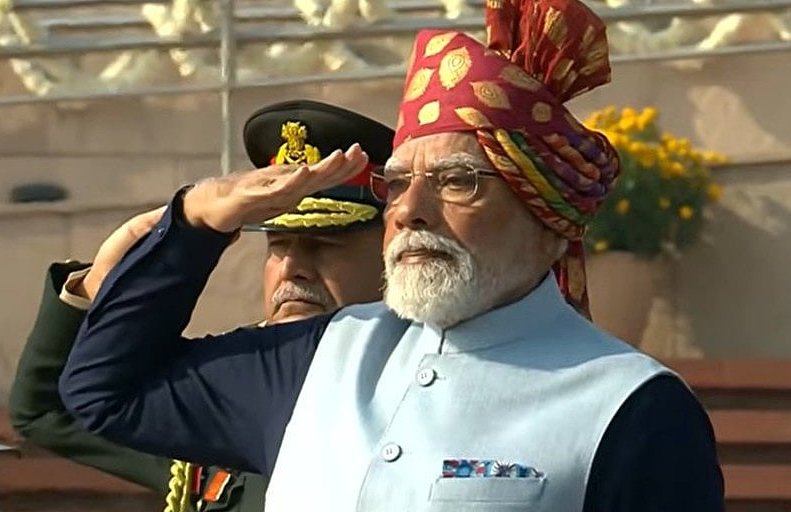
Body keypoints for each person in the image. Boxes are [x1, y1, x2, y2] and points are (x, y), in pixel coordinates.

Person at [58, 0, 725, 509]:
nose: (408, 211)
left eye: (457, 181)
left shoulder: (629, 407)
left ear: (547, 218)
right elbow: (104, 391)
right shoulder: (322, 355)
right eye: (398, 183)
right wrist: (196, 221)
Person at [8, 100, 393, 512]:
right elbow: (49, 412)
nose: (291, 268)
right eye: (278, 244)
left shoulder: (415, 380)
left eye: (324, 245)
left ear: (393, 255)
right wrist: (100, 285)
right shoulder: (229, 380)